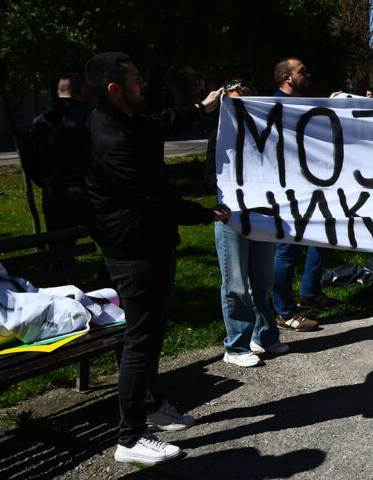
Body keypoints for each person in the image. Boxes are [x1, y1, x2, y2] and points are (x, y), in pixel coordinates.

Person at [85, 52, 230, 465]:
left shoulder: (123, 120)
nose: (143, 82)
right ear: (115, 89)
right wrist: (206, 214)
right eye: (135, 79)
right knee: (140, 340)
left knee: (151, 334)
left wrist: (200, 109)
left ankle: (149, 406)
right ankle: (130, 437)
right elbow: (157, 200)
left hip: (148, 245)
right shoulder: (114, 140)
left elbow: (158, 123)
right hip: (135, 252)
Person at [206, 80, 288, 367]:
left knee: (263, 282)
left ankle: (264, 336)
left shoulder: (263, 137)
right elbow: (210, 176)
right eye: (233, 103)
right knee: (236, 284)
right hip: (232, 217)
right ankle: (236, 346)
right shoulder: (218, 137)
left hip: (261, 217)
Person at [271, 58, 331, 332]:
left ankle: (309, 292)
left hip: (314, 185)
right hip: (289, 190)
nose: (308, 75)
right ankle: (284, 312)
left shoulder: (303, 103)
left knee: (323, 237)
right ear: (287, 77)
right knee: (288, 249)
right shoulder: (273, 105)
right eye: (302, 72)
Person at [22, 74, 94, 232]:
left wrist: (46, 183)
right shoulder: (90, 118)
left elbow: (28, 161)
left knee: (60, 243)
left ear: (57, 93)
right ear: (83, 91)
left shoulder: (38, 123)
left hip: (53, 195)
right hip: (87, 193)